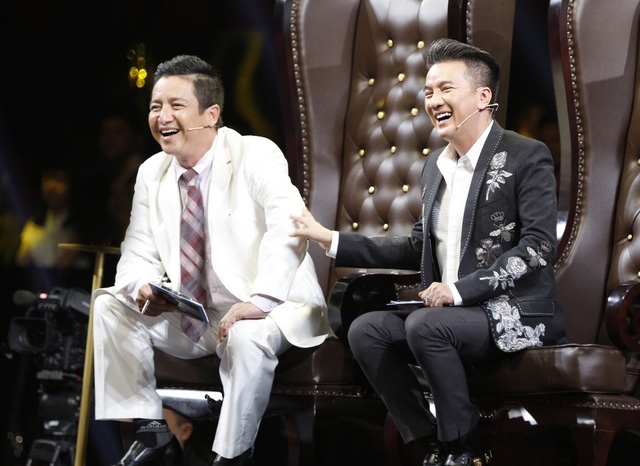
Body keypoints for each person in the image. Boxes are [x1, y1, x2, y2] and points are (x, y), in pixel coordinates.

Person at [291, 38, 567, 466]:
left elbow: (538, 247)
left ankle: (464, 446)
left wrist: (457, 291)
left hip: (514, 311)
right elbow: (418, 246)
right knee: (366, 330)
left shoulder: (525, 155)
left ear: (483, 97)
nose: (433, 100)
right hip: (449, 316)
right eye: (429, 91)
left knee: (425, 325)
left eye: (445, 89)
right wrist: (332, 239)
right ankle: (429, 445)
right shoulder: (435, 166)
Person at [92, 54, 332, 466]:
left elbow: (290, 227)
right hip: (200, 316)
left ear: (211, 114)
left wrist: (260, 300)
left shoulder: (255, 154)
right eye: (155, 106)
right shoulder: (152, 172)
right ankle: (152, 434)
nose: (162, 117)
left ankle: (232, 456)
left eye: (176, 105)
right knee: (109, 305)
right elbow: (136, 252)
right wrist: (143, 286)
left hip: (276, 308)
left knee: (247, 334)